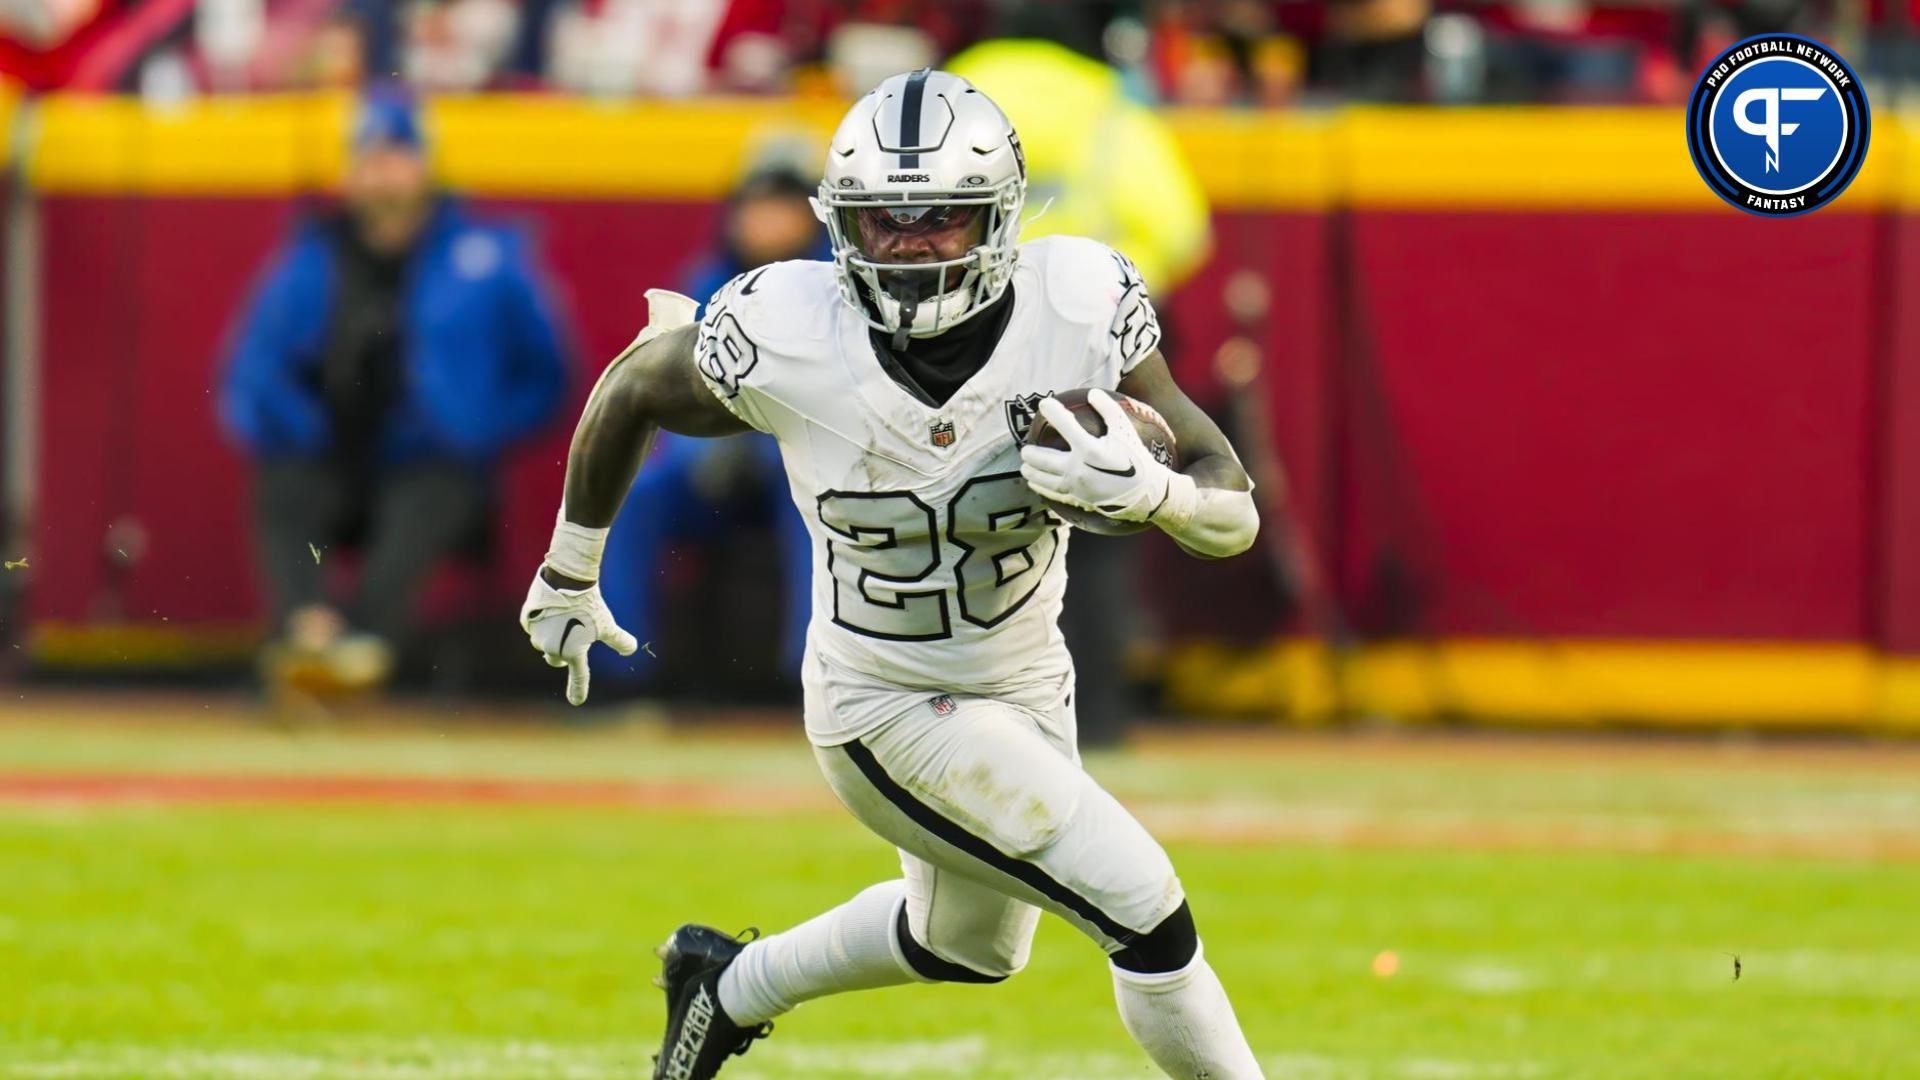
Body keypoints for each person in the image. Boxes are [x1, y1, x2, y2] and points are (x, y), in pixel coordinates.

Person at [519, 71, 1264, 1079]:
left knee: (970, 946)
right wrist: (571, 568)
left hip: (1026, 675)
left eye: (940, 220)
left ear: (998, 217)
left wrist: (1158, 497)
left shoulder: (1077, 307)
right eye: (883, 223)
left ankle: (724, 988)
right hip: (885, 700)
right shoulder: (791, 330)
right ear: (841, 227)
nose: (910, 247)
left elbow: (1234, 504)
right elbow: (636, 383)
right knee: (1146, 908)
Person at [220, 88, 569, 691]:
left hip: (429, 460)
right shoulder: (310, 257)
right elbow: (250, 375)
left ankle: (365, 645)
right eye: (368, 157)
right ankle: (308, 632)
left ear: (423, 165)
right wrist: (291, 427)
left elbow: (549, 375)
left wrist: (481, 429)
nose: (381, 173)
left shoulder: (484, 256)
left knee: (430, 497)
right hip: (330, 455)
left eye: (394, 155)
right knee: (284, 485)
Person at [592, 163, 823, 694]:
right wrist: (701, 453)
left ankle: (813, 681)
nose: (767, 221)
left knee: (817, 507)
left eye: (783, 207)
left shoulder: (835, 285)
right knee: (635, 496)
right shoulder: (705, 281)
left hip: (802, 461)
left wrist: (768, 447)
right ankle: (620, 676)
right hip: (713, 457)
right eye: (757, 206)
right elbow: (668, 385)